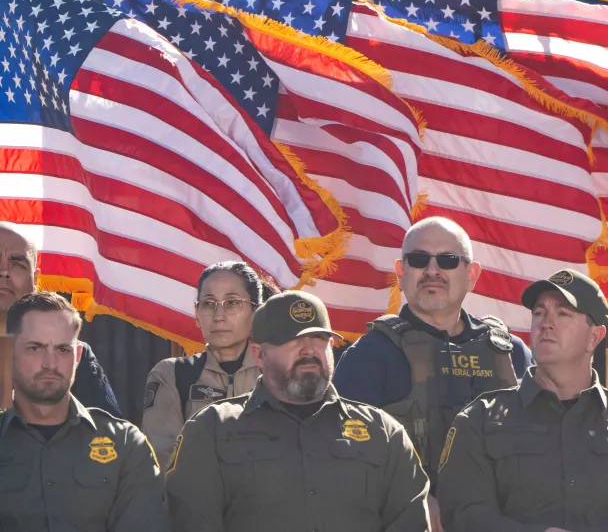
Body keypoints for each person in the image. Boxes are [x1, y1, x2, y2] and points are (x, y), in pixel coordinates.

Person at [437, 268, 608, 532]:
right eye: (539, 313)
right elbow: (464, 514)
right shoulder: (479, 420)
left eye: (563, 313)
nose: (546, 322)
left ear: (594, 337)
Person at [165, 291, 429, 532]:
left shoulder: (383, 432)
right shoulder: (212, 429)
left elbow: (410, 523)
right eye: (292, 340)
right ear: (259, 355)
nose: (309, 349)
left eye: (320, 339)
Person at [333, 216, 533, 483]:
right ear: (401, 272)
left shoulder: (512, 354)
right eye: (418, 260)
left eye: (447, 260)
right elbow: (343, 461)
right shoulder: (370, 355)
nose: (432, 270)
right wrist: (413, 499)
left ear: (471, 275)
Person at [0, 292, 168, 532]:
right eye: (35, 348)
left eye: (62, 349)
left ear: (78, 357)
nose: (50, 363)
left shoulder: (125, 446)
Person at [142, 261, 264, 468]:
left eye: (232, 303)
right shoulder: (172, 375)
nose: (218, 316)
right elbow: (162, 458)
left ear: (256, 312)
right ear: (197, 314)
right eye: (208, 304)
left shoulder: (275, 374)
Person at [0, 223, 123, 418]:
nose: (4, 271)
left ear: (35, 280)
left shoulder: (73, 357)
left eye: (17, 264)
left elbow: (109, 440)